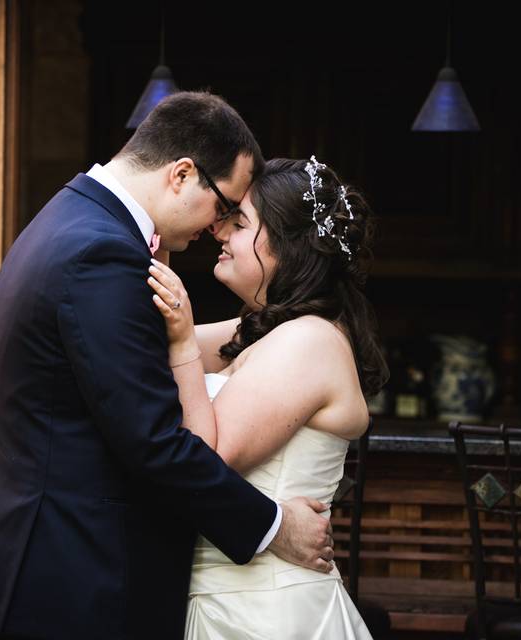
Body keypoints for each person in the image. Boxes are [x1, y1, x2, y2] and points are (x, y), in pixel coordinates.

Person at [0, 92, 335, 640]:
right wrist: (275, 527)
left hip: (51, 574)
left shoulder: (68, 219)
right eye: (224, 205)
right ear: (182, 174)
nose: (217, 229)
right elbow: (155, 442)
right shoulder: (103, 256)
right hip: (81, 588)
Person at [146, 156, 389, 639]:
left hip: (264, 611)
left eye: (239, 223)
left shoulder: (308, 342)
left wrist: (179, 342)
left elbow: (207, 458)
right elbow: (148, 345)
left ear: (289, 248)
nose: (219, 233)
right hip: (227, 600)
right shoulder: (266, 332)